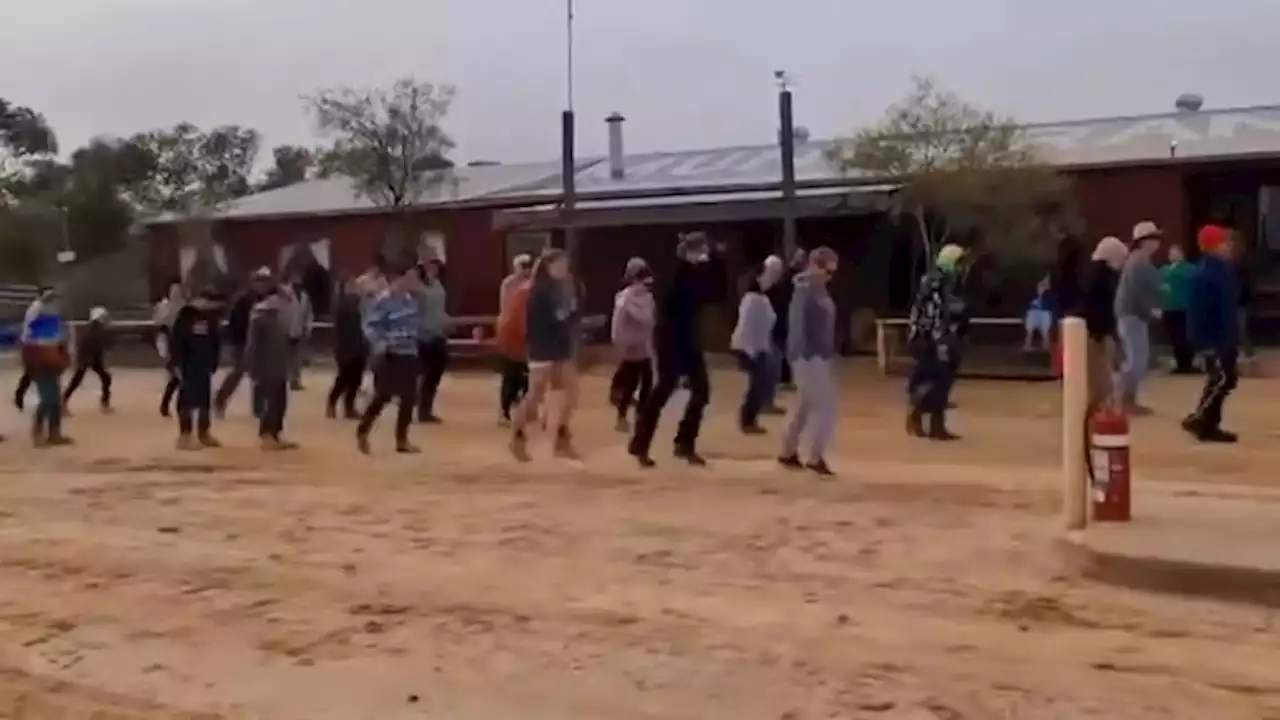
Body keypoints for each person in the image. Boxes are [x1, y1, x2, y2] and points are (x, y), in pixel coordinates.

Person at [629, 232, 719, 468]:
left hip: (689, 339)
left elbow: (713, 294)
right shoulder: (675, 272)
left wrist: (712, 264)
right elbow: (676, 301)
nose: (704, 255)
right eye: (701, 250)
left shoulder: (697, 273)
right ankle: (641, 443)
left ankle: (684, 443)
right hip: (670, 339)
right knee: (663, 391)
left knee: (702, 390)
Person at [509, 248, 582, 461]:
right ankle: (517, 436)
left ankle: (561, 435)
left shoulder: (564, 288)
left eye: (566, 265)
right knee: (535, 394)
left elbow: (569, 316)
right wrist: (561, 315)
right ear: (548, 266)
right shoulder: (538, 290)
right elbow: (539, 321)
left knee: (572, 391)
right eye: (560, 264)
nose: (564, 269)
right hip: (542, 347)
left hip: (560, 346)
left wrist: (570, 313)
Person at [356, 264, 423, 454]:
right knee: (383, 395)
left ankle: (402, 440)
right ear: (397, 278)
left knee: (409, 398)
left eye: (414, 278)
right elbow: (370, 325)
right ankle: (363, 430)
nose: (412, 282)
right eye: (409, 278)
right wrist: (380, 342)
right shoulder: (384, 301)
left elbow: (415, 325)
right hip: (390, 354)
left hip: (409, 353)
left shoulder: (412, 301)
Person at [1183, 225, 1240, 443]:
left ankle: (1208, 424)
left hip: (1224, 336)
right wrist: (1202, 342)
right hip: (1215, 338)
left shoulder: (1221, 270)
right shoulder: (1206, 273)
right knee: (1223, 378)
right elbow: (1198, 311)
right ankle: (1199, 419)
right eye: (1224, 242)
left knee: (1223, 379)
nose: (1229, 246)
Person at [904, 244, 965, 442]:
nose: (960, 267)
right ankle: (917, 413)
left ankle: (936, 426)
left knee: (944, 380)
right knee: (938, 379)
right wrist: (940, 342)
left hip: (939, 336)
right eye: (958, 262)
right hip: (928, 339)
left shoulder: (944, 280)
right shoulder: (934, 280)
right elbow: (933, 314)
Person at [1113, 221, 1165, 415]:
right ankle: (1123, 400)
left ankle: (1126, 399)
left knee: (1137, 359)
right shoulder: (1138, 261)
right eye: (1153, 238)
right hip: (1133, 315)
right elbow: (1136, 292)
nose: (1157, 242)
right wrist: (1150, 311)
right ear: (1143, 241)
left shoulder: (1139, 260)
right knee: (1137, 361)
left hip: (1133, 314)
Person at [731, 260, 782, 434]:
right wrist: (750, 349)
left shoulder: (761, 298)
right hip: (749, 347)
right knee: (759, 382)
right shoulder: (752, 299)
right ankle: (747, 419)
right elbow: (747, 326)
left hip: (758, 347)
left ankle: (749, 418)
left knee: (761, 382)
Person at [245, 281, 298, 450]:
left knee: (280, 401)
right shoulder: (260, 316)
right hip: (265, 367)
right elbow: (252, 345)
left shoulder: (278, 316)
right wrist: (253, 368)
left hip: (278, 366)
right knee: (270, 401)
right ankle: (267, 434)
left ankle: (275, 433)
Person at [170, 288, 225, 450]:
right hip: (188, 365)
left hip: (204, 365)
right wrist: (177, 363)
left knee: (204, 401)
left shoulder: (210, 319)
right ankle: (185, 435)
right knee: (186, 400)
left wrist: (214, 361)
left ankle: (203, 433)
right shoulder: (185, 317)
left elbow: (215, 341)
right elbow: (176, 342)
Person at [215, 267, 273, 416]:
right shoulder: (243, 300)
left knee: (260, 374)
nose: (262, 285)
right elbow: (235, 322)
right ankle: (220, 399)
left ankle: (258, 409)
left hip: (260, 342)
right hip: (240, 342)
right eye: (259, 281)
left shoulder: (268, 300)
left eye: (265, 281)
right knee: (237, 372)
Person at [608, 257, 656, 432]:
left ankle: (640, 416)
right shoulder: (624, 298)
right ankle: (621, 416)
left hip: (644, 346)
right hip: (631, 347)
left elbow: (650, 319)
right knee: (631, 383)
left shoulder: (647, 297)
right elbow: (619, 323)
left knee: (647, 382)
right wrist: (619, 342)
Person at [21, 288, 72, 447]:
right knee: (48, 399)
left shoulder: (51, 319)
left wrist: (60, 357)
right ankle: (37, 433)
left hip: (50, 362)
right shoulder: (37, 316)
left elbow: (55, 341)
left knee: (55, 400)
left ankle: (54, 434)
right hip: (40, 363)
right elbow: (36, 343)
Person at [1083, 236, 1128, 409]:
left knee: (1101, 375)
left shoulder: (1093, 273)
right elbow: (1098, 306)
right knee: (1100, 378)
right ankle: (1099, 409)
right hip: (1096, 331)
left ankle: (1101, 406)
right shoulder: (1103, 276)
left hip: (1098, 330)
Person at [414, 259, 450, 424]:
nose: (432, 269)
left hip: (438, 334)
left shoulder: (437, 284)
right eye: (428, 266)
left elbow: (440, 308)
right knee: (422, 374)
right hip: (422, 336)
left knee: (434, 375)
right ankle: (420, 409)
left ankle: (426, 409)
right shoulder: (417, 287)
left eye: (434, 266)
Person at [327, 277, 367, 419]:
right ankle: (331, 403)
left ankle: (349, 407)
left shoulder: (358, 303)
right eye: (351, 285)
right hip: (345, 346)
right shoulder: (341, 305)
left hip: (359, 345)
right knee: (343, 379)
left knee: (356, 380)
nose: (355, 287)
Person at [62, 306, 113, 414]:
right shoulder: (95, 328)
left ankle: (105, 402)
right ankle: (62, 402)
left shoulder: (94, 327)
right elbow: (93, 345)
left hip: (91, 356)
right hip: (87, 356)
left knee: (105, 378)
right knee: (77, 380)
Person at [12, 286, 55, 412]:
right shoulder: (36, 307)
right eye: (48, 295)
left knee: (35, 372)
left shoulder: (44, 307)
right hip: (33, 344)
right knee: (36, 372)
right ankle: (23, 396)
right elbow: (32, 325)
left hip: (38, 344)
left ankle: (22, 396)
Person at [1161, 244, 1197, 374]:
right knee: (1174, 337)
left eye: (1175, 252)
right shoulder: (1164, 269)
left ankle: (1187, 363)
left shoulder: (1189, 269)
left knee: (1185, 336)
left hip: (1184, 307)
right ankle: (1180, 362)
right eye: (1171, 253)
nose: (1172, 255)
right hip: (1169, 307)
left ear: (1181, 254)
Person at [156, 279, 186, 417]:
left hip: (181, 346)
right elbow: (162, 328)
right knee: (177, 378)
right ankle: (171, 406)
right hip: (172, 347)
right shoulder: (166, 308)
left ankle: (167, 405)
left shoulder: (183, 308)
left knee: (176, 379)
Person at [283, 278, 313, 391]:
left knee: (297, 358)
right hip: (285, 330)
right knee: (285, 358)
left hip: (299, 331)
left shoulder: (305, 296)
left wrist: (308, 328)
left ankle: (295, 381)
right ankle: (285, 380)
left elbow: (308, 313)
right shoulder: (285, 293)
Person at [1022, 275, 1056, 352]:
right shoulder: (1032, 293)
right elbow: (1027, 303)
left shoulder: (1049, 295)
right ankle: (1028, 345)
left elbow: (1052, 305)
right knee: (1030, 330)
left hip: (1044, 312)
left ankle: (1045, 347)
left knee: (1045, 331)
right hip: (1033, 312)